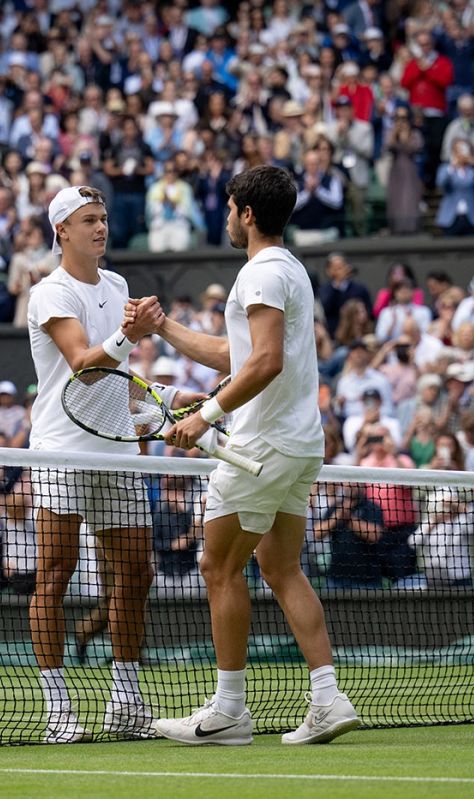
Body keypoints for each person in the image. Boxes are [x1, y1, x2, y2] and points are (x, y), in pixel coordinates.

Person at [152, 165, 360, 746]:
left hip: (259, 446)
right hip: (298, 446)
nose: (224, 216)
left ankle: (228, 711)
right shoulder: (286, 269)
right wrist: (165, 328)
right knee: (280, 566)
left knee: (218, 567)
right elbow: (237, 353)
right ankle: (327, 698)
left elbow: (264, 362)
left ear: (246, 213)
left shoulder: (261, 273)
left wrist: (204, 417)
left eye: (228, 207)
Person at [24, 184, 168, 743]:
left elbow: (112, 376)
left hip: (116, 449)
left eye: (103, 218)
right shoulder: (49, 293)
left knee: (137, 571)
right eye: (88, 220)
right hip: (62, 450)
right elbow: (84, 364)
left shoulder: (118, 285)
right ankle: (59, 708)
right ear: (62, 230)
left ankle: (126, 701)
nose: (100, 228)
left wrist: (161, 398)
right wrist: (129, 334)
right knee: (55, 573)